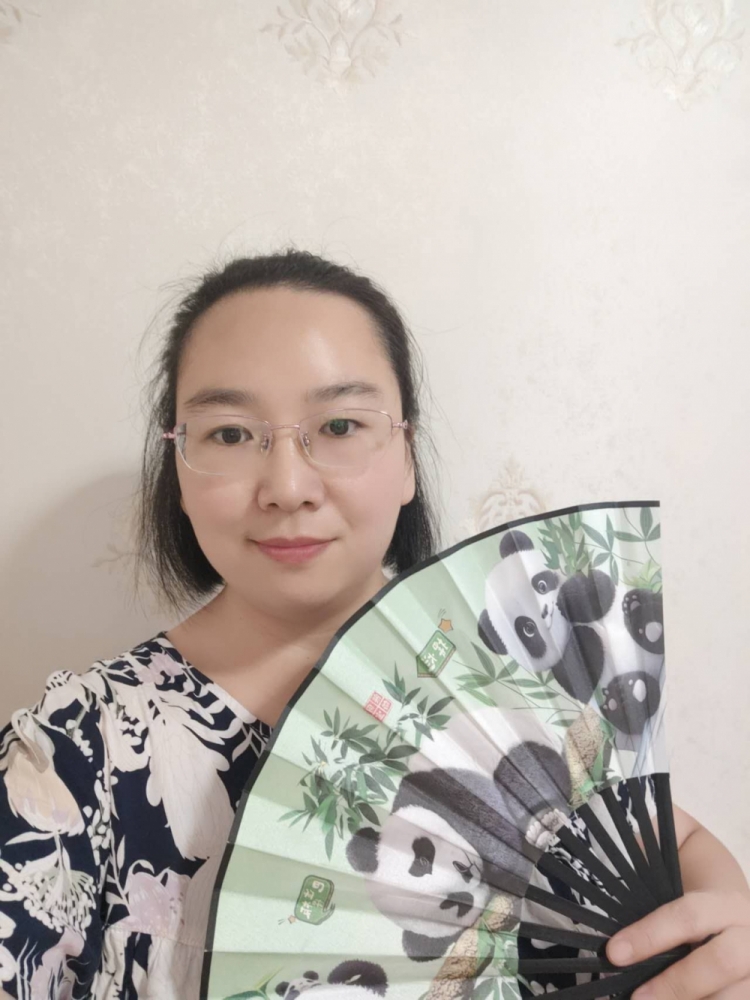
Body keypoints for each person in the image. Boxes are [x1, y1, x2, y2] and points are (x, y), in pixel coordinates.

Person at [0, 250, 748, 1000]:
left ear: (408, 457)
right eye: (229, 434)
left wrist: (717, 911)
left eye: (339, 425)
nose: (287, 486)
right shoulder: (73, 758)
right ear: (178, 469)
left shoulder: (526, 683)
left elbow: (654, 847)